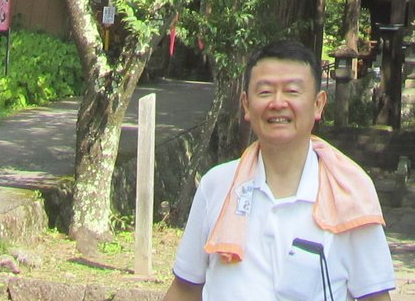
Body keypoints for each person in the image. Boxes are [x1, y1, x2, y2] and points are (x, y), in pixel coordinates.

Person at [168, 39, 395, 301]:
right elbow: (185, 289)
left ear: (318, 104)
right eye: (264, 92)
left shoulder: (349, 190)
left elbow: (375, 297)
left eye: (292, 91)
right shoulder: (218, 185)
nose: (278, 103)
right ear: (246, 105)